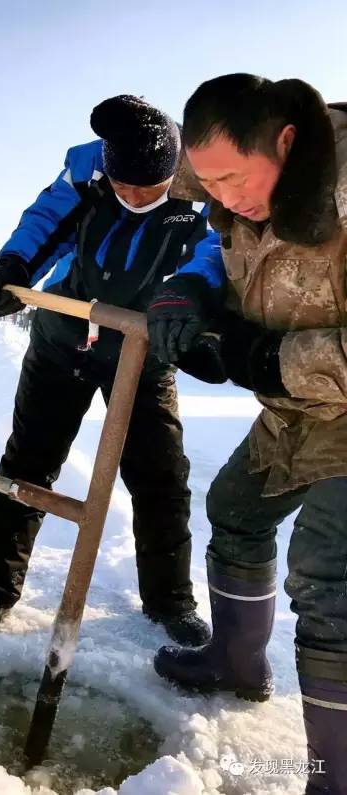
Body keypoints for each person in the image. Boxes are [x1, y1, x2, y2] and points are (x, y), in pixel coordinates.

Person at [0, 95, 220, 647]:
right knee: (27, 464)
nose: (132, 197)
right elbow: (46, 221)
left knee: (160, 477)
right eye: (124, 187)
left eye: (146, 189)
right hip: (64, 339)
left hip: (144, 350)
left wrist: (189, 305)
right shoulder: (89, 170)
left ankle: (171, 600)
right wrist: (13, 268)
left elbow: (214, 254)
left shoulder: (204, 185)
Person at [147, 73, 347, 794]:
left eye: (232, 176)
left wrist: (260, 357)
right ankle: (236, 664)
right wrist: (189, 290)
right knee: (234, 510)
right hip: (299, 410)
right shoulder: (233, 196)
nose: (222, 196)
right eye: (209, 182)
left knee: (329, 577)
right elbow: (219, 246)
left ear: (286, 142)